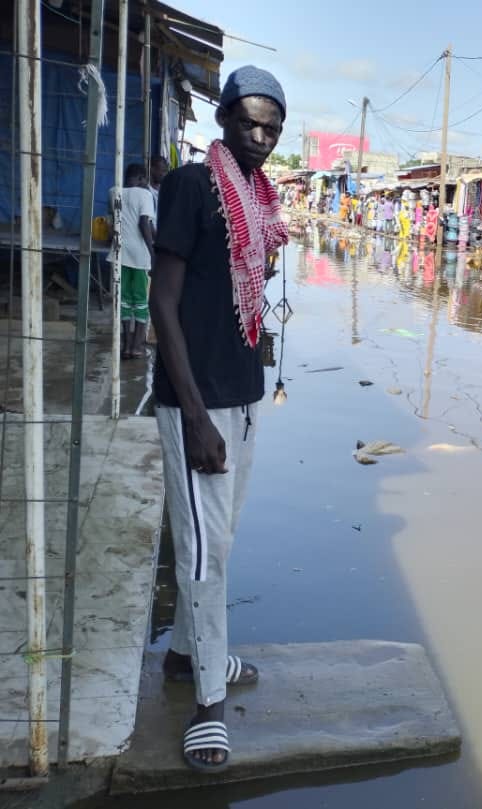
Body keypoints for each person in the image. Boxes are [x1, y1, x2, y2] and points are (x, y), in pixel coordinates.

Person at [149, 65, 288, 772]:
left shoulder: (260, 202)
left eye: (272, 128)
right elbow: (162, 305)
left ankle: (184, 654)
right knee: (202, 551)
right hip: (195, 401)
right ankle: (207, 703)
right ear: (224, 119)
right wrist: (197, 416)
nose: (260, 138)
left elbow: (239, 291)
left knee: (220, 540)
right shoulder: (189, 187)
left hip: (244, 393)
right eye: (249, 123)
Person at [119, 163, 156, 359]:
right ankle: (137, 346)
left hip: (120, 253)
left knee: (124, 299)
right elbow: (144, 223)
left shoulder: (114, 192)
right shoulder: (146, 195)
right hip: (139, 255)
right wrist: (153, 252)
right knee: (141, 300)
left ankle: (126, 344)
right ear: (142, 178)